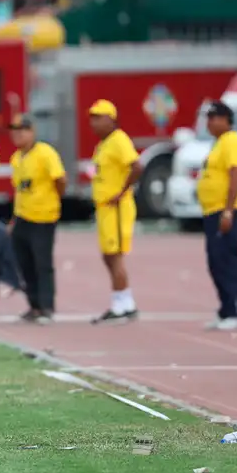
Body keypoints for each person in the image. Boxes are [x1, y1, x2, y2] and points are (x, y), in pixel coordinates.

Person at [7, 114, 66, 324]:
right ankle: (34, 305)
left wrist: (51, 201)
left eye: (22, 129)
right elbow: (19, 191)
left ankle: (47, 306)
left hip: (43, 217)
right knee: (25, 263)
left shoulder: (45, 153)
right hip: (23, 216)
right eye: (14, 130)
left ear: (32, 132)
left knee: (43, 262)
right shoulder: (17, 158)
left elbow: (60, 180)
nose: (18, 134)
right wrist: (13, 220)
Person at [88, 100, 142, 324]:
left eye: (99, 117)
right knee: (108, 256)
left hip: (117, 208)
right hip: (104, 208)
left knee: (116, 256)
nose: (94, 122)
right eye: (92, 117)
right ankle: (124, 302)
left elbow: (137, 166)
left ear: (111, 119)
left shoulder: (119, 140)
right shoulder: (103, 144)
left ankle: (121, 307)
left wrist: (122, 192)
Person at [197, 101, 237, 331]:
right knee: (215, 261)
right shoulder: (218, 143)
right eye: (208, 118)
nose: (209, 123)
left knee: (227, 260)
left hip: (226, 211)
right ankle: (226, 309)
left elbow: (235, 173)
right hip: (211, 212)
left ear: (226, 120)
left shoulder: (232, 141)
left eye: (214, 118)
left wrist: (228, 210)